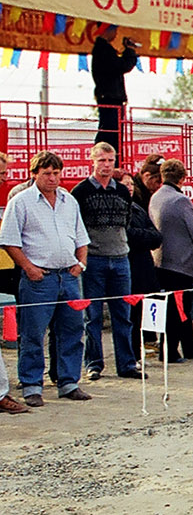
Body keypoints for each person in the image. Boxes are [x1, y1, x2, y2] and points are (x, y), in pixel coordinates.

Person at [0, 151, 92, 405]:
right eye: (47, 174)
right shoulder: (21, 202)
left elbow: (81, 237)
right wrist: (29, 268)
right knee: (33, 332)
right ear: (34, 174)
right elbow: (9, 240)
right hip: (39, 279)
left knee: (73, 329)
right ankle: (31, 385)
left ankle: (69, 381)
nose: (52, 178)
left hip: (69, 277)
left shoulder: (69, 201)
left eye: (56, 173)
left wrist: (80, 263)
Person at [73, 142, 145, 381]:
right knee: (92, 315)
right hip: (93, 260)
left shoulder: (122, 192)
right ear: (92, 161)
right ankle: (93, 364)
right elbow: (76, 227)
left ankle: (126, 363)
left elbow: (126, 222)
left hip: (120, 258)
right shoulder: (80, 192)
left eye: (110, 160)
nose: (106, 165)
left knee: (123, 314)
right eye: (102, 160)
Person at [149, 158, 193, 363]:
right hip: (180, 263)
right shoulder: (180, 200)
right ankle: (172, 351)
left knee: (172, 307)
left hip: (160, 261)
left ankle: (189, 345)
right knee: (180, 309)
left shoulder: (155, 197)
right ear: (183, 178)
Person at [120, 173, 162, 366]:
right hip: (129, 266)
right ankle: (131, 354)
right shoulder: (119, 209)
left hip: (144, 267)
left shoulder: (137, 207)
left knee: (142, 312)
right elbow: (127, 235)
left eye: (130, 183)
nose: (129, 186)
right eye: (124, 183)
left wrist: (145, 237)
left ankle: (143, 348)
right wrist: (145, 237)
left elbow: (156, 235)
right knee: (130, 315)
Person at [91, 28, 138, 151]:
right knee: (111, 133)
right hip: (110, 97)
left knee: (111, 132)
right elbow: (122, 66)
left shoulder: (102, 49)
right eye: (114, 30)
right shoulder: (103, 49)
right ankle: (108, 157)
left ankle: (109, 157)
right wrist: (130, 51)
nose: (116, 34)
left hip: (110, 96)